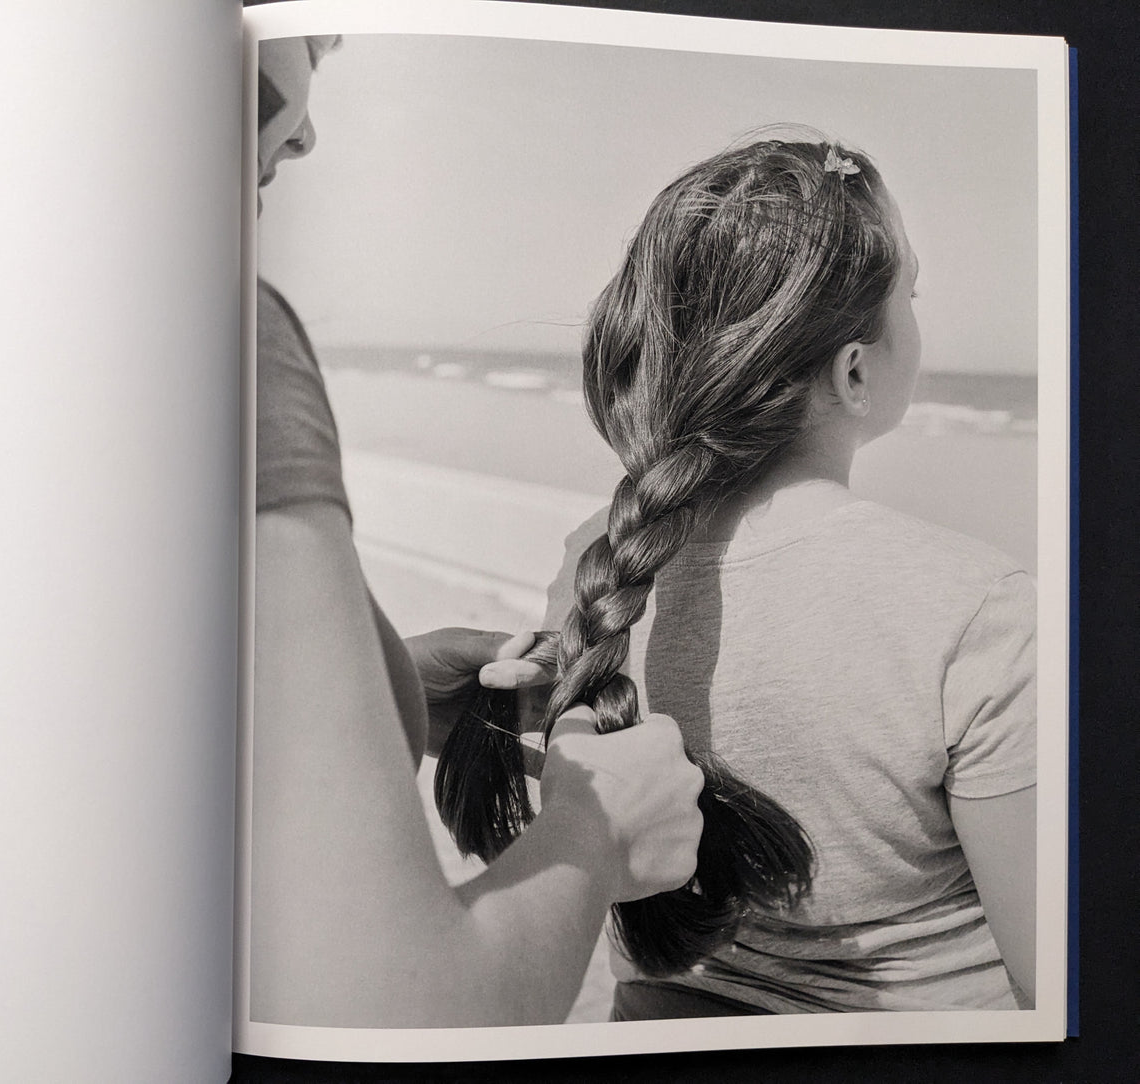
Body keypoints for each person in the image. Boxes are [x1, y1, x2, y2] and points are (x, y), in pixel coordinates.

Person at [248, 35, 706, 1028]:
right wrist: (592, 827)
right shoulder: (230, 338)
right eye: (311, 43)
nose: (311, 131)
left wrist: (382, 695)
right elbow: (399, 1017)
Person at [532, 137, 1036, 1016]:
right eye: (908, 296)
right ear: (853, 370)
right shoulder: (972, 609)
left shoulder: (598, 564)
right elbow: (1057, 990)